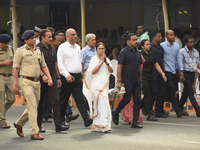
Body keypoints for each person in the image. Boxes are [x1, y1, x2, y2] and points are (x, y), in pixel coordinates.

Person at [13, 30, 53, 140]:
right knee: (32, 106)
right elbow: (15, 68)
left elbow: (44, 66)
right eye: (31, 38)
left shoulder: (38, 51)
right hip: (26, 81)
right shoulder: (20, 51)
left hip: (37, 82)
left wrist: (49, 77)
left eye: (35, 38)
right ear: (25, 40)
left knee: (34, 106)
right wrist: (16, 84)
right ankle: (34, 132)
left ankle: (18, 123)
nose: (34, 39)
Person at [57, 28, 93, 127]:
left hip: (77, 76)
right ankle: (60, 120)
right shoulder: (62, 47)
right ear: (67, 36)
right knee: (64, 99)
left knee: (80, 98)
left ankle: (86, 118)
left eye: (75, 34)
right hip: (67, 76)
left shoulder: (77, 47)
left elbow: (78, 62)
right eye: (73, 35)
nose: (75, 36)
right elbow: (60, 64)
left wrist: (81, 75)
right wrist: (67, 74)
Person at [36, 29, 70, 133]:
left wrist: (58, 77)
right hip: (41, 80)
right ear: (43, 38)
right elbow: (37, 65)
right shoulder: (37, 49)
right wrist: (43, 76)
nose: (51, 39)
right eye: (49, 37)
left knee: (56, 101)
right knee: (40, 103)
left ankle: (58, 124)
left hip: (53, 79)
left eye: (51, 37)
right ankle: (38, 125)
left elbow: (55, 64)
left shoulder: (53, 49)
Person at [112, 33, 143, 128]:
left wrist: (140, 80)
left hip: (136, 80)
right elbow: (120, 67)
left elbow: (140, 67)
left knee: (138, 100)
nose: (135, 41)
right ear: (128, 41)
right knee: (127, 98)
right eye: (133, 40)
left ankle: (135, 121)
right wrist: (119, 81)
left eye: (136, 39)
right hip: (127, 80)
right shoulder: (124, 52)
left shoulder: (138, 52)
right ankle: (116, 111)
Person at [83, 42, 113, 132]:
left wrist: (106, 63)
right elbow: (93, 71)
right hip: (95, 86)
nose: (101, 50)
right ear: (96, 50)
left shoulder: (107, 59)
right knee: (102, 104)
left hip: (103, 86)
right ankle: (104, 125)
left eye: (103, 48)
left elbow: (111, 70)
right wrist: (101, 62)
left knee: (101, 105)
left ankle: (96, 124)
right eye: (99, 49)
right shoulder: (94, 59)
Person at [161, 29, 187, 118]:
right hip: (166, 71)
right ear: (167, 36)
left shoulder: (176, 46)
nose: (173, 36)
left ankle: (148, 105)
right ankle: (177, 110)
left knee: (169, 91)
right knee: (171, 89)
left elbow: (179, 59)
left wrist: (181, 71)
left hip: (174, 70)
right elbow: (161, 59)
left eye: (173, 35)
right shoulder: (162, 46)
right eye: (171, 35)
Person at [140, 39, 167, 121]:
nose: (149, 45)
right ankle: (149, 114)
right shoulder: (140, 54)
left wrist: (162, 74)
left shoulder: (152, 53)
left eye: (149, 44)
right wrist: (140, 79)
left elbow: (156, 65)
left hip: (151, 76)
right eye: (147, 44)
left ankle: (140, 106)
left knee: (153, 93)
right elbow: (139, 68)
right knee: (148, 94)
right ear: (142, 46)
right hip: (143, 77)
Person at [178, 35, 200, 117]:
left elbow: (198, 64)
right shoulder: (182, 52)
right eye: (190, 42)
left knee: (186, 92)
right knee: (191, 92)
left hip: (193, 74)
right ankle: (198, 110)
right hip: (185, 73)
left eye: (193, 42)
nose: (192, 43)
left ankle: (179, 107)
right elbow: (180, 64)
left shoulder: (196, 52)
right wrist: (181, 74)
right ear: (186, 43)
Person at [150, 30, 168, 118]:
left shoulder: (160, 47)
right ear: (154, 37)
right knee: (154, 91)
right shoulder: (150, 46)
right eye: (159, 36)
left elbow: (162, 60)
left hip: (160, 72)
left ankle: (159, 110)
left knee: (161, 91)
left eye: (161, 36)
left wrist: (163, 72)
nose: (161, 38)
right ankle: (148, 108)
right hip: (153, 71)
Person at [0, 34, 15, 128]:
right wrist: (4, 63)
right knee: (1, 99)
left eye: (8, 43)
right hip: (0, 76)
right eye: (4, 43)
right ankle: (3, 121)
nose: (7, 45)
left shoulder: (11, 49)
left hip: (10, 76)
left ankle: (1, 113)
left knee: (12, 99)